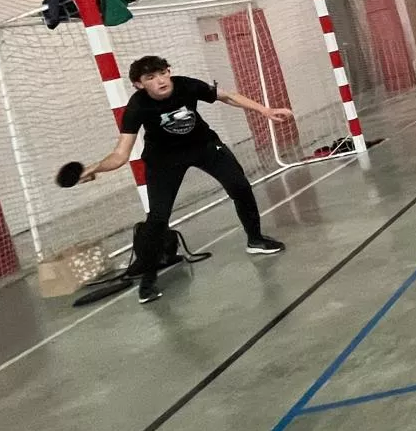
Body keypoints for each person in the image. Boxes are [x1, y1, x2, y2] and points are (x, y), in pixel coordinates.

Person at [79, 56, 289, 303]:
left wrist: (266, 110)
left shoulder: (187, 85)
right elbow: (120, 154)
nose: (160, 81)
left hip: (204, 146)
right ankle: (147, 281)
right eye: (150, 78)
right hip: (163, 159)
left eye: (162, 73)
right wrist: (94, 168)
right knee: (157, 219)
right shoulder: (137, 107)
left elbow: (227, 96)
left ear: (169, 71)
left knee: (240, 186)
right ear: (138, 84)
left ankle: (255, 239)